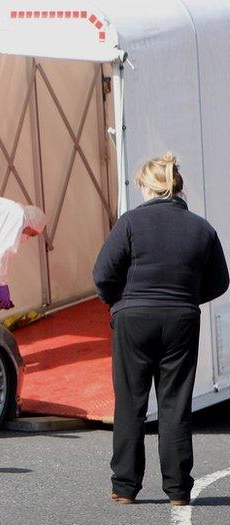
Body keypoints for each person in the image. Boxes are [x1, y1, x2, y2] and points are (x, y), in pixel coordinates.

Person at [93, 152, 228, 506]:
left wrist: (117, 302)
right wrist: (187, 298)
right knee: (175, 405)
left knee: (131, 404)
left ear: (148, 187)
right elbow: (220, 281)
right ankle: (178, 490)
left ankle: (124, 487)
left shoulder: (130, 224)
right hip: (181, 318)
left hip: (133, 318)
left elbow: (103, 274)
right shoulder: (202, 228)